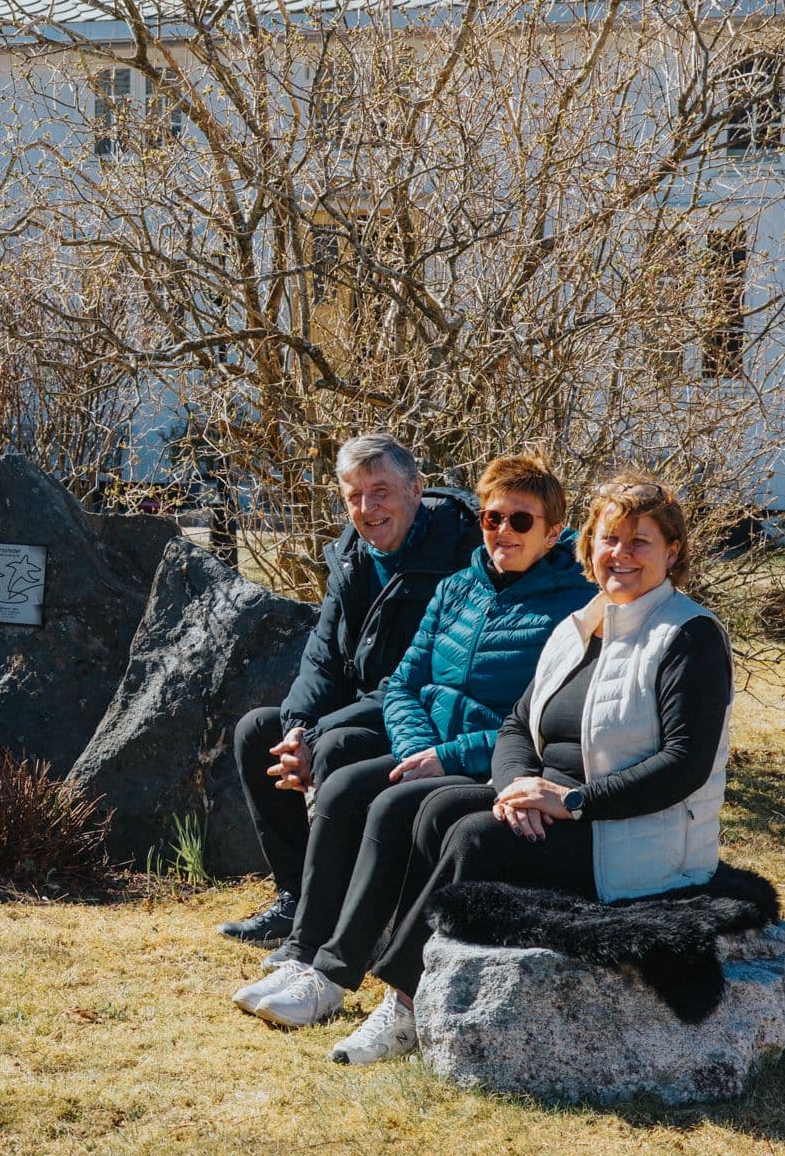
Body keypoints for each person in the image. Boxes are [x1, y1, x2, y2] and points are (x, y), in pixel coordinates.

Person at [334, 473, 734, 1065]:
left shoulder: (689, 635)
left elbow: (684, 765)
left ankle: (405, 1003)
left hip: (636, 837)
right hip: (555, 804)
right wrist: (516, 787)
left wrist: (571, 803)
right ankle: (374, 965)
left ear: (671, 552)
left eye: (639, 541)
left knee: (473, 837)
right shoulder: (582, 625)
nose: (620, 554)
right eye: (609, 539)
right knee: (431, 808)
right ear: (589, 547)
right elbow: (518, 726)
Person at [233, 455, 595, 1057]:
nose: (502, 532)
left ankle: (333, 975)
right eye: (491, 518)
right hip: (427, 749)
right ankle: (304, 953)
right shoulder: (458, 587)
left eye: (521, 521)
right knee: (346, 786)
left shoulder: (573, 608)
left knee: (389, 803)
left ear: (553, 531)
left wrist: (447, 755)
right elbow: (403, 684)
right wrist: (415, 748)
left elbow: (538, 722)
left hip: (491, 763)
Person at [218, 435, 476, 947]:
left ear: (416, 489)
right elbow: (322, 657)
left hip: (421, 718)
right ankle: (296, 898)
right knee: (258, 732)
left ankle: (341, 917)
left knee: (336, 748)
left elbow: (417, 678)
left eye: (380, 491)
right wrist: (297, 728)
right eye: (354, 495)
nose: (367, 508)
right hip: (358, 707)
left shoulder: (458, 555)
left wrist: (316, 736)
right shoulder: (352, 554)